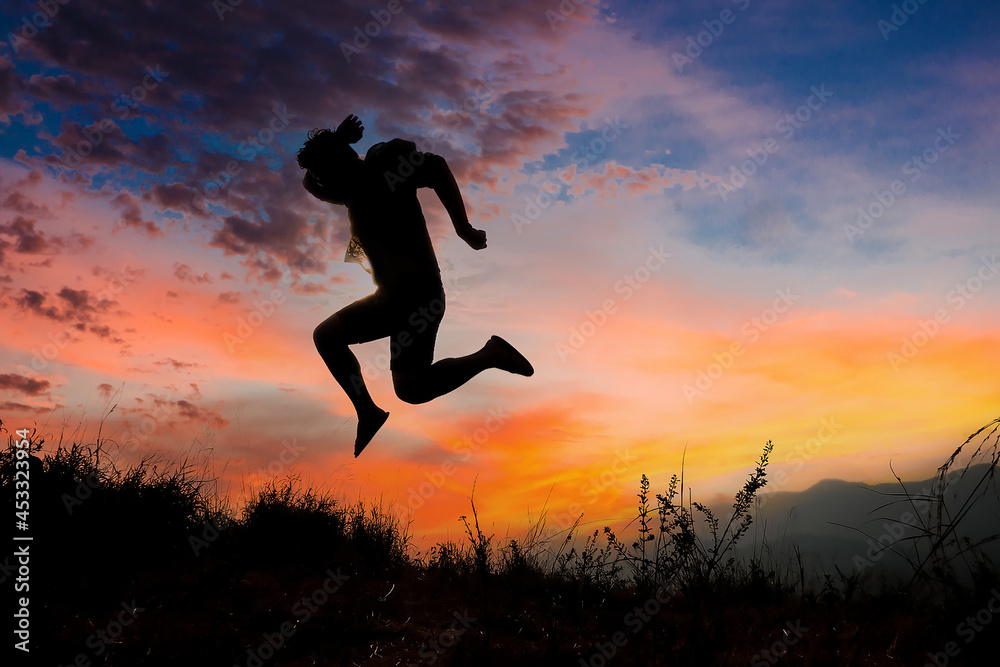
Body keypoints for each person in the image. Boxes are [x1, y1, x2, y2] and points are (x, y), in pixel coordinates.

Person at [298, 115, 533, 457]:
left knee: (326, 337)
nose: (324, 182)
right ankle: (490, 355)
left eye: (327, 173)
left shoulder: (384, 167)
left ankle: (368, 413)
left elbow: (436, 167)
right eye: (323, 176)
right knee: (411, 388)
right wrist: (339, 139)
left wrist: (463, 229)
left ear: (342, 163)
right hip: (399, 297)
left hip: (414, 292)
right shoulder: (349, 191)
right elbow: (309, 183)